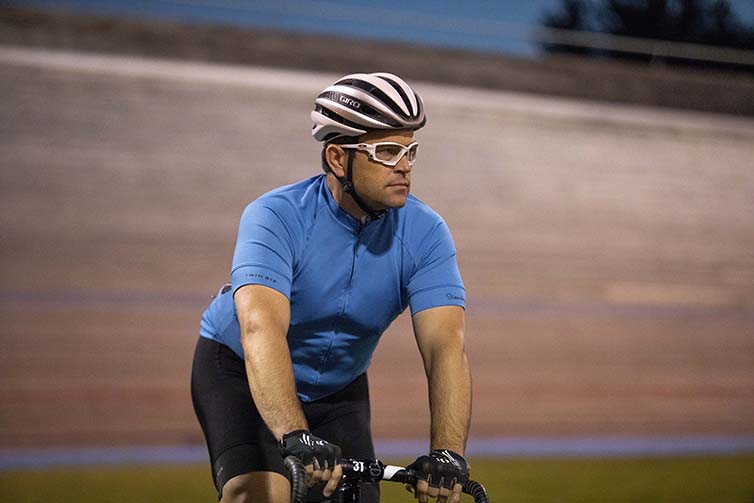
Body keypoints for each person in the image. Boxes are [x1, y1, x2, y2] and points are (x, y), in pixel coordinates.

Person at [191, 72, 472, 503]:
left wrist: (448, 453)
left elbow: (445, 347)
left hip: (338, 388)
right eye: (387, 151)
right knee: (259, 494)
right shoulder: (275, 216)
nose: (405, 165)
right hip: (241, 373)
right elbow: (260, 328)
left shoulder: (426, 233)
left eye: (410, 150)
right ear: (338, 159)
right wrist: (293, 433)